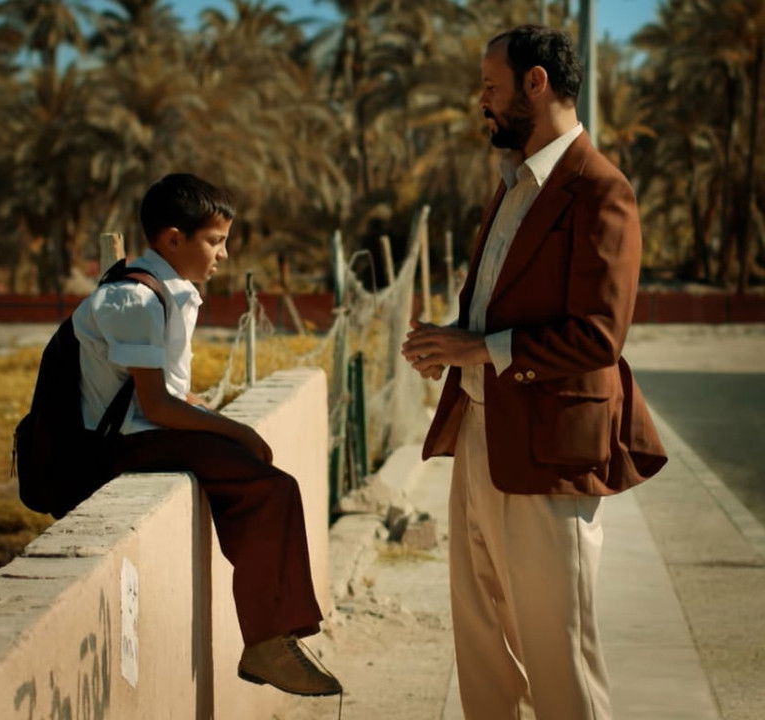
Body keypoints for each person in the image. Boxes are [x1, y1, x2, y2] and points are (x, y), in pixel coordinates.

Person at [401, 25, 667, 719]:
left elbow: (599, 334)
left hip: (551, 453)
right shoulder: (510, 185)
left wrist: (478, 351)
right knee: (482, 648)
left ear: (536, 84)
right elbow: (499, 311)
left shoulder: (600, 189)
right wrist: (451, 345)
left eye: (491, 87)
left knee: (560, 658)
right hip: (481, 439)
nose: (480, 101)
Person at [72, 172, 343, 697]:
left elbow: (164, 391)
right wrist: (235, 429)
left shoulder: (170, 293)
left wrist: (211, 416)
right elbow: (154, 405)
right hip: (121, 444)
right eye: (214, 241)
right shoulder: (137, 298)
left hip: (148, 431)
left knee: (262, 484)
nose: (223, 254)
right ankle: (267, 641)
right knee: (268, 486)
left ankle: (273, 634)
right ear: (174, 240)